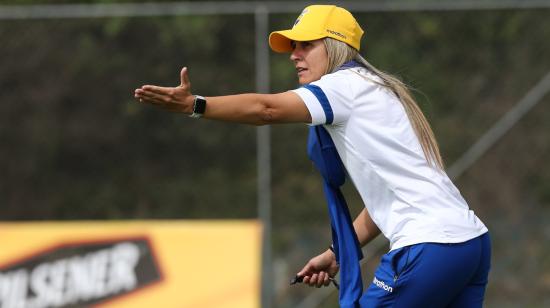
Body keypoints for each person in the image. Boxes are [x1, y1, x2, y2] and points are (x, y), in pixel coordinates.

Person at [134, 4, 491, 307]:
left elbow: (265, 109)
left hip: (431, 246)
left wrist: (195, 106)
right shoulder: (373, 89)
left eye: (306, 44)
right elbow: (386, 202)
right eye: (293, 46)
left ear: (335, 47)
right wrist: (337, 252)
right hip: (469, 245)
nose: (294, 54)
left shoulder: (343, 87)